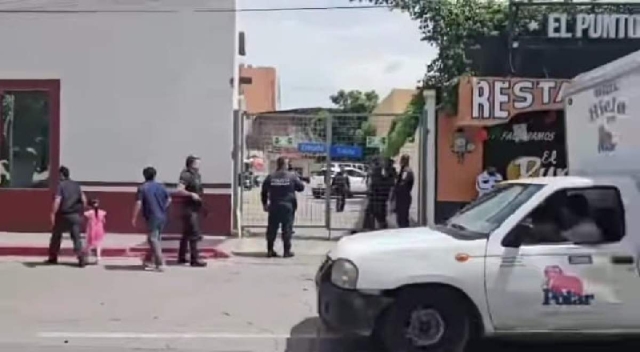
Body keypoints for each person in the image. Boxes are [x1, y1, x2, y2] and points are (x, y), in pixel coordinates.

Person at [261, 156, 305, 258]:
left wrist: (264, 204)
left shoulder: (271, 176)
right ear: (285, 165)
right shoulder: (292, 176)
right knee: (287, 229)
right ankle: (286, 251)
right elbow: (301, 188)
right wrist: (297, 179)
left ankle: (270, 250)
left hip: (274, 206)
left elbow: (264, 192)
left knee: (272, 229)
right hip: (287, 206)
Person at [132, 166, 171, 271]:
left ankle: (161, 262)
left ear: (144, 175)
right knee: (157, 238)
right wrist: (163, 207)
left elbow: (139, 203)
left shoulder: (143, 188)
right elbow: (169, 199)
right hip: (162, 215)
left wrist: (134, 217)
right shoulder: (161, 187)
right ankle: (153, 261)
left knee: (153, 239)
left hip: (152, 216)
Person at [46, 166, 87, 267]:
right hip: (75, 215)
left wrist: (52, 213)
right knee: (76, 237)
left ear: (61, 175)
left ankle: (53, 257)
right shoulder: (76, 185)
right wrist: (81, 211)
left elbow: (57, 200)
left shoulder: (61, 186)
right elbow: (84, 199)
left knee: (56, 235)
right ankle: (81, 257)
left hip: (63, 215)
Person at [175, 155, 207, 267]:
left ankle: (182, 257)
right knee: (193, 233)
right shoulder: (186, 175)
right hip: (188, 208)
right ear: (191, 164)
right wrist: (191, 194)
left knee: (187, 233)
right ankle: (195, 259)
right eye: (197, 163)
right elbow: (179, 190)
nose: (199, 165)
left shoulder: (197, 175)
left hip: (195, 207)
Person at [363, 157, 395, 231]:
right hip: (377, 197)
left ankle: (375, 228)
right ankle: (373, 227)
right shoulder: (379, 172)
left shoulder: (379, 172)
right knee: (374, 213)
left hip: (378, 197)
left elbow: (381, 184)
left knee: (377, 213)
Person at [391, 154, 415, 228]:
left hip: (403, 196)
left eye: (402, 160)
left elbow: (403, 183)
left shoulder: (406, 171)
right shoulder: (403, 170)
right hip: (402, 196)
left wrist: (396, 189)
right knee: (401, 216)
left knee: (402, 217)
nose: (401, 162)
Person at [84, 199, 106, 264]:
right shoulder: (102, 212)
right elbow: (104, 221)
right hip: (99, 230)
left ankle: (86, 257)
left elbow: (85, 215)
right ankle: (98, 257)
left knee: (88, 244)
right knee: (98, 244)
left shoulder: (89, 213)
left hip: (91, 230)